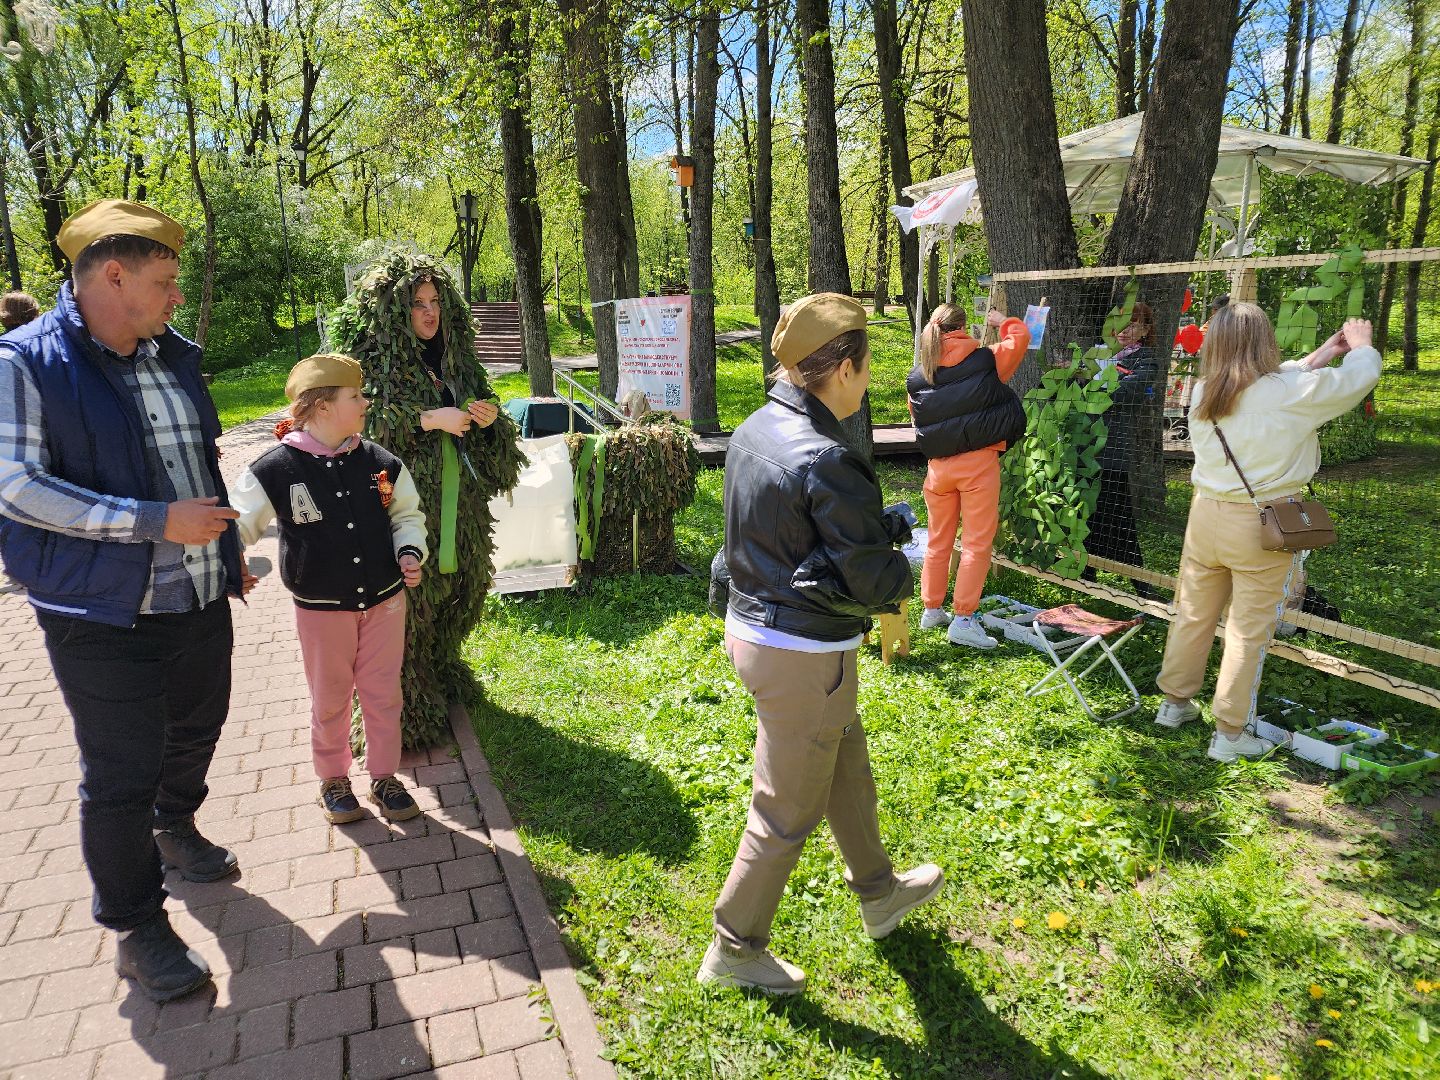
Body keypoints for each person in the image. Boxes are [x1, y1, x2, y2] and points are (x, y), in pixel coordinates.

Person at [0, 200, 252, 1003]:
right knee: (118, 776)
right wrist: (150, 523)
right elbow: (15, 488)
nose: (178, 296)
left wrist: (230, 551)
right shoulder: (22, 363)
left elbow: (198, 464)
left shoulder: (170, 354)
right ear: (114, 274)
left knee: (198, 727)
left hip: (199, 595)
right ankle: (138, 928)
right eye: (166, 280)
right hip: (100, 614)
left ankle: (175, 825)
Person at [701, 293, 943, 996]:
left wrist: (877, 529)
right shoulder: (827, 455)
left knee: (844, 763)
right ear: (841, 369)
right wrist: (911, 563)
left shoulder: (756, 428)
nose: (870, 381)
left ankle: (879, 892)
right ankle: (734, 948)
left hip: (761, 630)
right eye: (868, 366)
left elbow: (797, 534)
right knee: (783, 812)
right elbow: (868, 580)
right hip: (800, 653)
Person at [1153, 304, 1380, 762]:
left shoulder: (1202, 393)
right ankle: (1231, 733)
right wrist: (1361, 348)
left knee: (1193, 613)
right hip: (1262, 523)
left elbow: (1272, 384)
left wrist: (1318, 355)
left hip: (1205, 517)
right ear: (1264, 340)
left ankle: (1174, 703)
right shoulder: (1290, 391)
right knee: (1247, 629)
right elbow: (1355, 382)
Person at [329, 252, 523, 746]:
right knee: (408, 601)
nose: (429, 313)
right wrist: (430, 419)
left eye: (435, 302)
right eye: (417, 304)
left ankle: (440, 672)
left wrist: (486, 415)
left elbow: (490, 414)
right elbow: (360, 423)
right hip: (405, 506)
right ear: (397, 312)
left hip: (462, 506)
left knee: (464, 587)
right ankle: (398, 707)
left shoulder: (457, 356)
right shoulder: (373, 362)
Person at [232, 354, 430, 824]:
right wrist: (231, 561)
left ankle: (384, 776)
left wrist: (409, 551)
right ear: (322, 406)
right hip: (321, 610)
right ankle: (334, 779)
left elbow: (406, 515)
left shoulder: (381, 463)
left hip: (385, 602)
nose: (365, 402)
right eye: (355, 396)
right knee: (331, 696)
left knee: (384, 694)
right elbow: (236, 524)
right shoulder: (274, 470)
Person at [907, 303, 1029, 648]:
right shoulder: (987, 360)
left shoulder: (918, 376)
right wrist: (1002, 321)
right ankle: (963, 618)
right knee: (976, 543)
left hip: (937, 470)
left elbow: (921, 422)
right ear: (963, 327)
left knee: (938, 540)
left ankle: (931, 609)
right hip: (977, 465)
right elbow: (1020, 338)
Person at [1084, 301, 1163, 594]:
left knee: (1119, 515)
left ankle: (1141, 584)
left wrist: (1098, 386)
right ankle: (1086, 573)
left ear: (1144, 329)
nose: (1125, 329)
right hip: (1086, 448)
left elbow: (1135, 390)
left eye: (1133, 323)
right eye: (1120, 322)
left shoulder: (1146, 358)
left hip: (1114, 450)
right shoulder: (1099, 353)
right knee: (1090, 513)